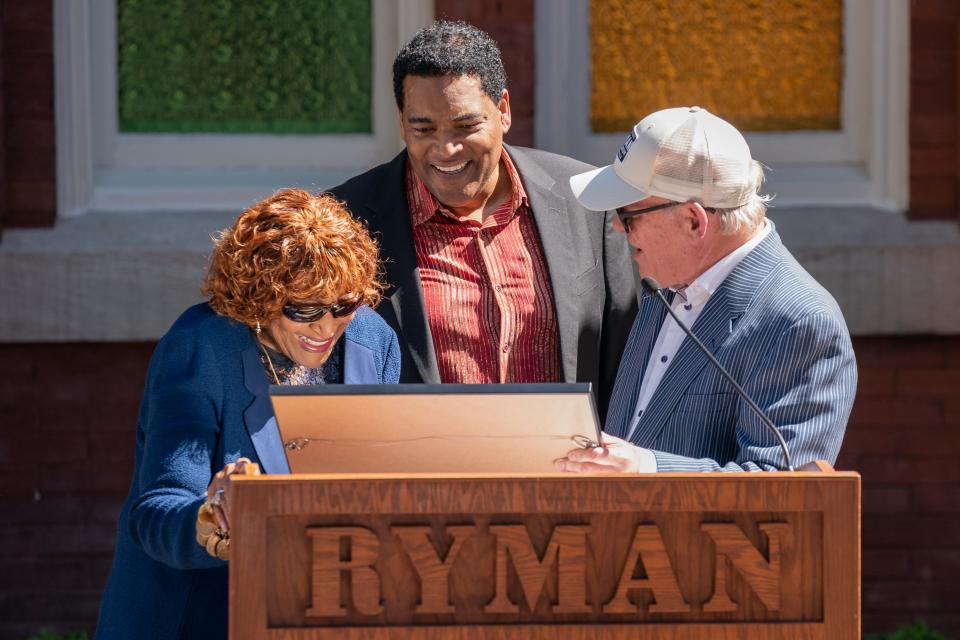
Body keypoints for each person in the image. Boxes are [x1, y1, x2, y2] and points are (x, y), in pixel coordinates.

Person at [96, 189, 400, 639]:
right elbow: (155, 511)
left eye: (343, 305)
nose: (326, 326)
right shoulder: (199, 348)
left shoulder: (373, 339)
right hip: (195, 615)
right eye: (304, 309)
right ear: (261, 295)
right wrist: (213, 516)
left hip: (315, 610)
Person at [330, 21, 636, 419]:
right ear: (401, 121)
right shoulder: (345, 220)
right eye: (423, 129)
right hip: (421, 476)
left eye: (465, 126)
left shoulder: (586, 200)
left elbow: (628, 359)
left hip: (566, 475)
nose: (446, 149)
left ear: (503, 110)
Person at [556, 106, 857, 472]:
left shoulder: (800, 322)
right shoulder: (669, 278)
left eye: (628, 216)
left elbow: (781, 493)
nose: (619, 230)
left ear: (693, 222)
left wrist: (647, 470)